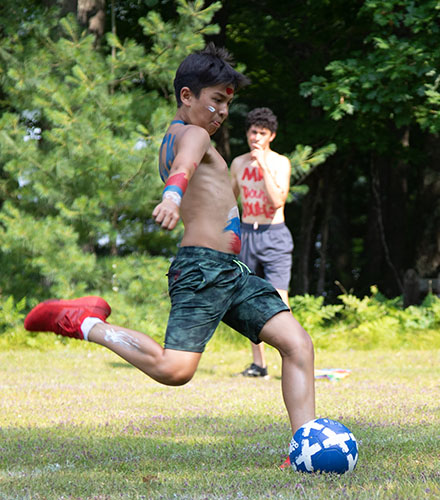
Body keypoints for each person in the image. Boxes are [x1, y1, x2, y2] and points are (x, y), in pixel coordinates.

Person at [23, 44, 315, 461]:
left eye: (228, 103)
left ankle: (304, 448)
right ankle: (86, 323)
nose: (222, 112)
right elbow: (186, 165)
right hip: (202, 269)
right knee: (175, 370)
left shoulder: (182, 136)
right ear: (186, 96)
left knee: (297, 345)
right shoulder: (192, 135)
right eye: (216, 100)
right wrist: (172, 197)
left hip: (232, 271)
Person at [231, 107, 293, 378]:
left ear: (272, 136)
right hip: (247, 233)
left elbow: (277, 200)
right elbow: (230, 201)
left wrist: (263, 164)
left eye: (262, 133)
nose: (256, 137)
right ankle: (259, 364)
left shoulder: (280, 163)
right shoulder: (238, 163)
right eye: (252, 132)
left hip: (274, 233)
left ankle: (292, 358)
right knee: (248, 299)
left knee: (279, 299)